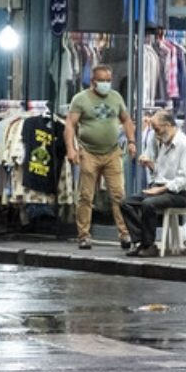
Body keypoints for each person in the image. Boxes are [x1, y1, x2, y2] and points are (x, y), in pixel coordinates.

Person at [65, 65, 137, 250]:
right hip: (88, 152)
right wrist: (71, 149)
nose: (105, 84)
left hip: (112, 152)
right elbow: (70, 125)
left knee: (119, 195)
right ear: (93, 81)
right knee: (86, 195)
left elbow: (126, 119)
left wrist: (131, 141)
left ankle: (124, 233)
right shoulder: (80, 99)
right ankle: (84, 235)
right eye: (102, 80)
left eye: (108, 80)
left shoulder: (116, 97)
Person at [120, 111, 186, 258]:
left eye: (157, 129)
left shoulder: (185, 145)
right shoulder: (164, 143)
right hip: (161, 188)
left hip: (179, 193)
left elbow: (184, 179)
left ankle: (149, 246)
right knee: (126, 203)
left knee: (148, 204)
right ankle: (142, 241)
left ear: (168, 125)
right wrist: (150, 164)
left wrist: (161, 189)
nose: (156, 134)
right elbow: (160, 172)